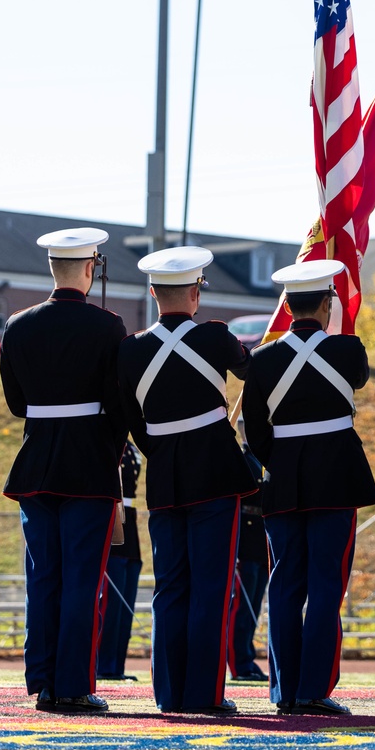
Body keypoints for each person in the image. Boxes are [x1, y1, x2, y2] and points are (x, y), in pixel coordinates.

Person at [117, 247, 255, 715]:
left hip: (165, 478)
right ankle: (205, 694)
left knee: (170, 587)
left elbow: (131, 417)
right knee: (212, 587)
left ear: (153, 293)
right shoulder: (216, 336)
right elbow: (252, 373)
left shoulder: (131, 348)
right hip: (215, 472)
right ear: (196, 293)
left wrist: (160, 447)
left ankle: (170, 694)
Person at [241, 260, 375, 715]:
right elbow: (356, 379)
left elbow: (255, 433)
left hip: (283, 482)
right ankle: (315, 689)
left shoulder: (259, 360)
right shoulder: (348, 349)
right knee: (325, 587)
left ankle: (284, 691)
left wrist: (280, 462)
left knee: (284, 585)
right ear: (326, 303)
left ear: (286, 306)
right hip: (336, 479)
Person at [0, 227, 126, 714]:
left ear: (52, 269)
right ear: (91, 269)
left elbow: (15, 404)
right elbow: (117, 406)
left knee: (44, 577)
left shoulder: (18, 324)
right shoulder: (108, 326)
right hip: (87, 468)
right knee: (81, 581)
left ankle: (45, 680)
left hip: (37, 465)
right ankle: (72, 685)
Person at [97, 442, 143, 681]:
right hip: (112, 520)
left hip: (130, 528)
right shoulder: (107, 441)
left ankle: (116, 665)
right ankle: (103, 664)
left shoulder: (131, 450)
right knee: (110, 605)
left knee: (124, 608)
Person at [227, 489, 270, 683]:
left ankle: (247, 659)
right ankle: (239, 664)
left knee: (253, 609)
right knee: (242, 610)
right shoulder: (244, 459)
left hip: (260, 542)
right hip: (245, 543)